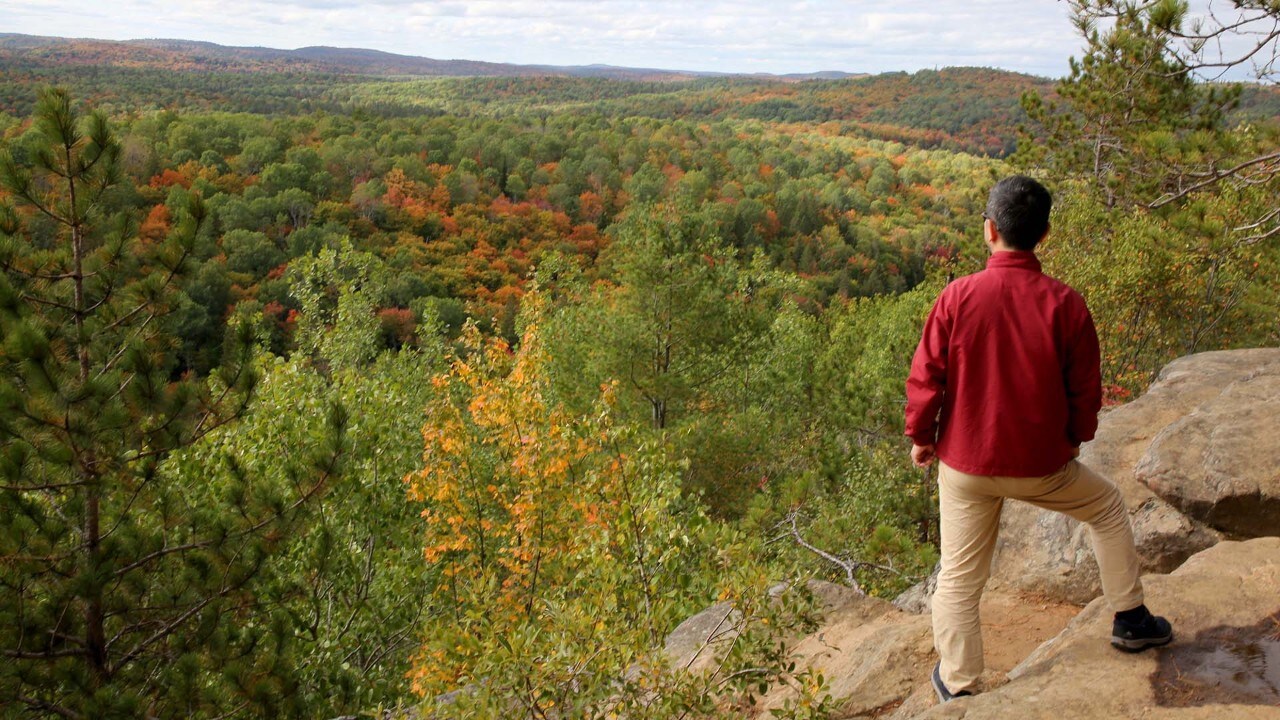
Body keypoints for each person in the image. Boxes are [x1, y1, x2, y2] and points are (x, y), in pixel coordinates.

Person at [904, 176, 1172, 703]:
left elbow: (925, 378)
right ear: (1043, 234)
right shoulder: (1066, 305)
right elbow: (1085, 392)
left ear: (989, 230)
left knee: (959, 576)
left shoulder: (957, 296)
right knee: (1109, 508)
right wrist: (1075, 439)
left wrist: (921, 438)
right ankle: (1132, 620)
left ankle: (958, 685)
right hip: (1042, 466)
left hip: (965, 464)